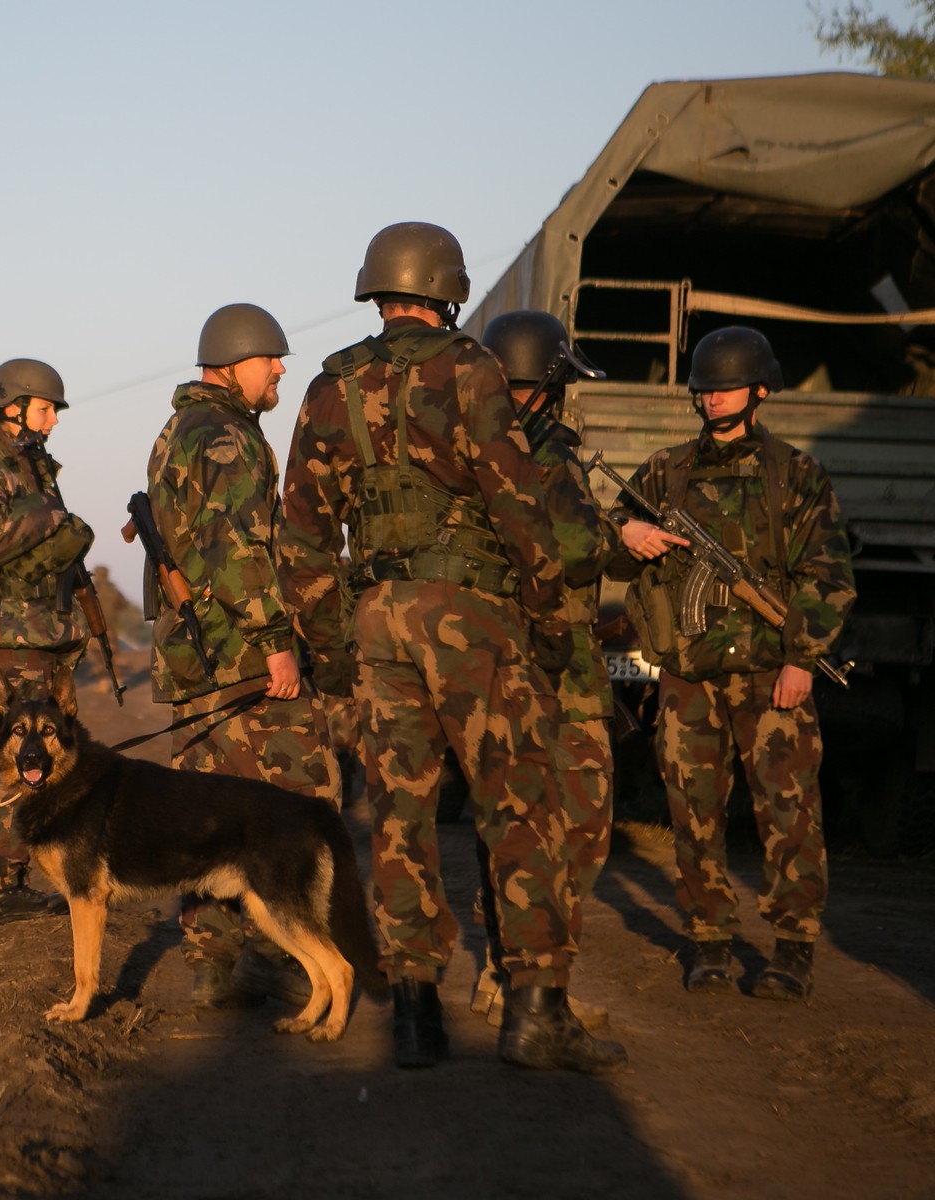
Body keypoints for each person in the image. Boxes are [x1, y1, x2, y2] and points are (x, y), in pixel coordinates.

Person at [279, 222, 626, 1072]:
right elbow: (520, 509)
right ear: (447, 290)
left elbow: (301, 539)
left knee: (400, 819)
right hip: (470, 616)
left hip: (377, 622)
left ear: (379, 290)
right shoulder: (470, 369)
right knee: (522, 807)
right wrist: (547, 622)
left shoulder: (330, 387)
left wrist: (330, 652)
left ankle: (414, 1017)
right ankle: (535, 1011)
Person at [608, 326, 854, 1001]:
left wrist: (803, 658)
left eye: (727, 385)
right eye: (706, 386)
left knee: (790, 812)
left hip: (771, 673)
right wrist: (623, 532)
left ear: (760, 389)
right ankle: (709, 939)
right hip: (690, 677)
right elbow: (607, 539)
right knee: (692, 812)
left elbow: (827, 573)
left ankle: (794, 946)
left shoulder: (795, 475)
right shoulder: (666, 471)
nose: (714, 396)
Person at [144, 302, 338, 1009]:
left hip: (198, 668)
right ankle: (280, 945)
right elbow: (237, 553)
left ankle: (210, 962)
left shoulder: (177, 430)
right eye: (271, 359)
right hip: (242, 664)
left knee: (202, 817)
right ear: (233, 362)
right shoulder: (229, 438)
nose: (281, 368)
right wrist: (276, 645)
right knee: (295, 804)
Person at [471, 310, 620, 1027]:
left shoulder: (474, 451)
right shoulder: (545, 456)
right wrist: (614, 533)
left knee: (509, 822)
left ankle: (505, 976)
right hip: (560, 675)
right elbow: (576, 550)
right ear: (549, 382)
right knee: (578, 829)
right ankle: (535, 985)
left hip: (495, 671)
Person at [0, 358, 94, 930]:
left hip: (38, 628)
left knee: (43, 757)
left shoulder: (29, 463)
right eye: (45, 408)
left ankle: (17, 880)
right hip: (10, 633)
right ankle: (2, 889)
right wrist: (50, 515)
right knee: (17, 759)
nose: (54, 419)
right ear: (13, 406)